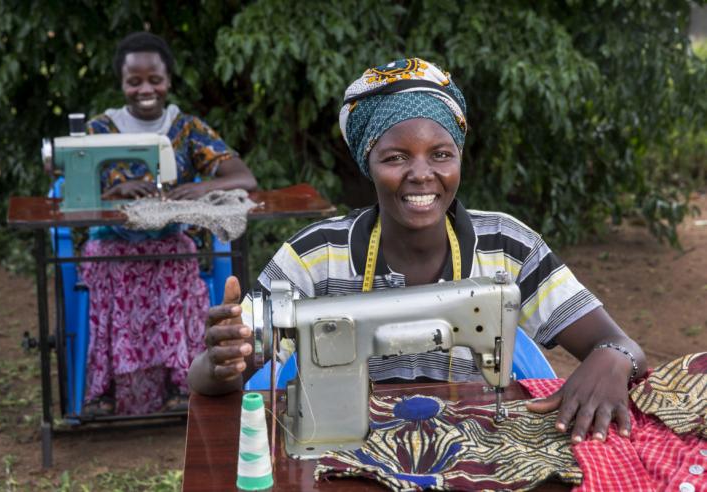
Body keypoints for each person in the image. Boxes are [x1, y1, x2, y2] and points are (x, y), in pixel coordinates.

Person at [188, 58, 646, 444]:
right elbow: (210, 377)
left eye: (441, 154)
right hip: (347, 453)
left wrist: (612, 357)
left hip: (473, 447)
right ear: (368, 163)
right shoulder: (314, 256)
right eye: (396, 157)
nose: (422, 173)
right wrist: (221, 361)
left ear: (460, 158)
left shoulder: (508, 246)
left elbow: (623, 346)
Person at [79, 31, 257, 416]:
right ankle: (104, 391)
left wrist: (200, 187)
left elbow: (243, 177)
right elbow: (75, 197)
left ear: (169, 81)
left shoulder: (188, 129)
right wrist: (119, 188)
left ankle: (180, 385)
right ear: (121, 83)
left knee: (179, 254)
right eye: (134, 81)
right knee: (110, 263)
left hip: (170, 243)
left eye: (155, 79)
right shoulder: (98, 131)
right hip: (112, 243)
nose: (146, 89)